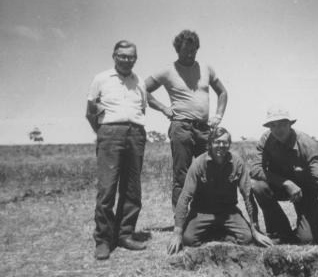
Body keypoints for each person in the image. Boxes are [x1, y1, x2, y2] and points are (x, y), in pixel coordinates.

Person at [145, 29, 228, 212]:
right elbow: (142, 90)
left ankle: (204, 216)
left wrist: (218, 116)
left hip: (204, 129)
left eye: (193, 50)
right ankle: (180, 220)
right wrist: (163, 108)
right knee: (182, 175)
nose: (190, 54)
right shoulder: (167, 70)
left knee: (207, 171)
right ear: (177, 50)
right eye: (185, 51)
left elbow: (222, 92)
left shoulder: (206, 68)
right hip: (181, 127)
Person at [250, 105, 318, 244]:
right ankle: (281, 232)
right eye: (273, 125)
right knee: (258, 186)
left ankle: (307, 228)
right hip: (283, 187)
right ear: (269, 127)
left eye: (283, 124)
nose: (278, 129)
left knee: (306, 239)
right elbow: (255, 169)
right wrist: (286, 183)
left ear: (290, 124)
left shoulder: (307, 145)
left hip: (308, 192)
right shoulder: (266, 140)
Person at [167, 127, 273, 255]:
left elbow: (247, 196)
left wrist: (255, 229)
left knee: (247, 238)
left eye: (225, 142)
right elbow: (185, 197)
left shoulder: (237, 163)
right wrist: (177, 232)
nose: (221, 145)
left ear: (229, 144)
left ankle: (219, 231)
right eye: (217, 142)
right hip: (202, 211)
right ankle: (215, 231)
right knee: (188, 239)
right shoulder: (198, 164)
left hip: (228, 212)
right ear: (210, 144)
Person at [86, 40, 147, 260]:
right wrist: (104, 134)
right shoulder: (101, 79)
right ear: (114, 56)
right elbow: (90, 111)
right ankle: (103, 240)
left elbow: (142, 108)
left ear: (135, 59)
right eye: (122, 55)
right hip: (110, 133)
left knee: (132, 188)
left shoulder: (139, 81)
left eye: (131, 56)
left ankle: (125, 234)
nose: (126, 59)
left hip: (136, 134)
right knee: (107, 189)